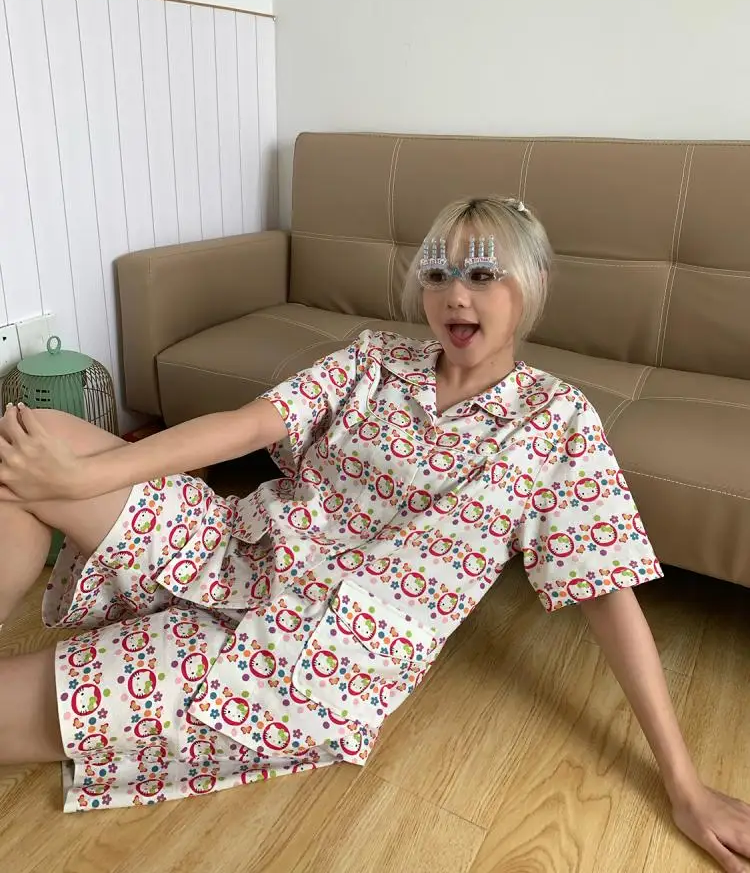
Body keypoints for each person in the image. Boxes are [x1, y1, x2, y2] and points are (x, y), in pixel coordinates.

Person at [0, 196, 747, 869]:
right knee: (36, 436)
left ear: (533, 284)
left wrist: (683, 785)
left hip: (306, 654)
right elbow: (249, 425)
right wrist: (80, 477)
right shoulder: (374, 358)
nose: (455, 294)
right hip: (238, 547)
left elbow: (607, 594)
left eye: (483, 275)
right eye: (439, 273)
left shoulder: (557, 423)